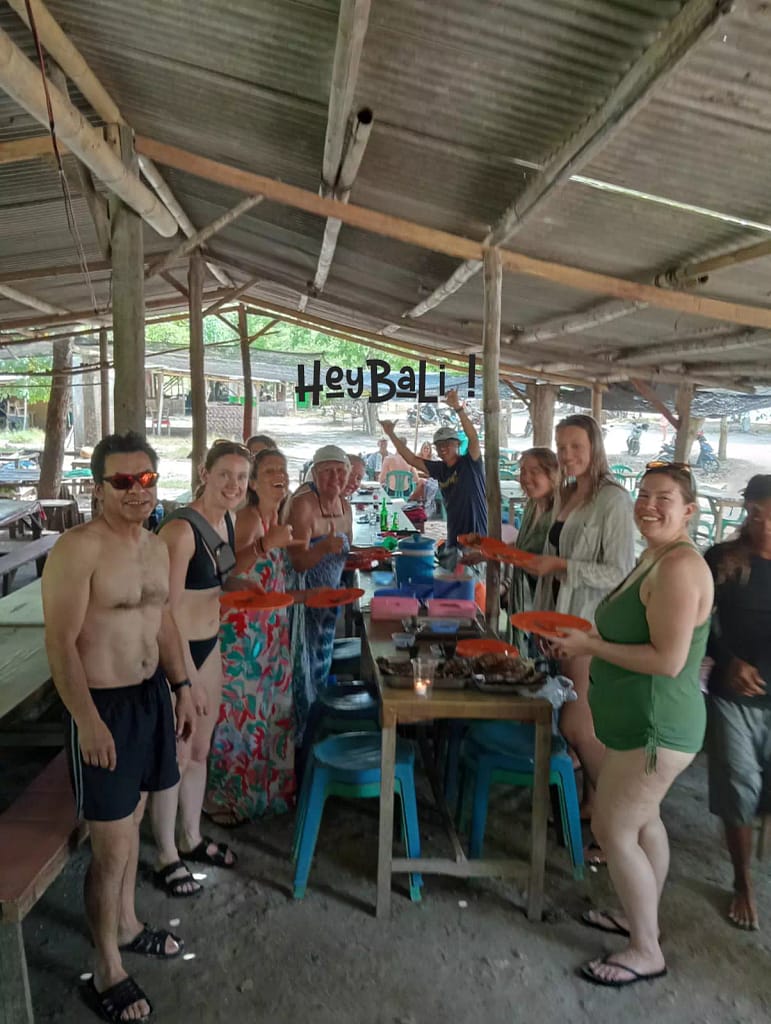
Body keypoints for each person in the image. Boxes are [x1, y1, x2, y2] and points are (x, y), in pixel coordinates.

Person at [42, 431, 196, 1023]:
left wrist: (181, 688)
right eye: (122, 481)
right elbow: (59, 644)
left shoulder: (156, 547)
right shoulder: (78, 549)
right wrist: (87, 721)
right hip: (101, 706)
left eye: (146, 479)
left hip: (149, 700)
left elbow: (162, 627)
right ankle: (107, 968)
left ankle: (129, 925)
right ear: (100, 486)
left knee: (131, 822)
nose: (135, 491)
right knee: (110, 846)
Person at [556, 463, 713, 987]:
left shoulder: (680, 568)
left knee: (612, 827)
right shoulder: (657, 556)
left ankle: (646, 949)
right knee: (644, 823)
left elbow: (669, 659)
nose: (648, 504)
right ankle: (640, 919)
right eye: (643, 495)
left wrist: (590, 646)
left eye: (663, 498)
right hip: (642, 724)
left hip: (657, 727)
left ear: (688, 510)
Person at [149, 440, 252, 895]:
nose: (234, 485)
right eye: (225, 474)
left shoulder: (224, 520)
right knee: (174, 754)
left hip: (210, 645)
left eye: (241, 478)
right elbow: (164, 612)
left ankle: (190, 837)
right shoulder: (180, 531)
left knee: (199, 749)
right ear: (204, 473)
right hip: (179, 653)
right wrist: (184, 679)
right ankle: (165, 854)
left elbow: (218, 581)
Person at [529, 414, 635, 824]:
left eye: (576, 446)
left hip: (589, 623)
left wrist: (563, 565)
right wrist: (541, 620)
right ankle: (593, 803)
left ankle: (619, 817)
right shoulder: (565, 494)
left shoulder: (614, 500)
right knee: (582, 721)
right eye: (561, 447)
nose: (567, 455)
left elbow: (619, 570)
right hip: (558, 618)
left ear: (595, 448)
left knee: (577, 726)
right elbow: (550, 565)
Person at [207, 449, 298, 823]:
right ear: (255, 483)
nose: (280, 475)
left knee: (269, 715)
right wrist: (264, 545)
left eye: (283, 469)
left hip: (270, 633)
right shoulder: (248, 519)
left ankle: (262, 793)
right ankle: (224, 800)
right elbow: (227, 572)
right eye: (270, 471)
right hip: (242, 637)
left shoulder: (275, 518)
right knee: (239, 719)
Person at [704, 474, 771, 931]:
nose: (764, 525)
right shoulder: (725, 560)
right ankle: (742, 880)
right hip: (733, 696)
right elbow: (697, 620)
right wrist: (727, 661)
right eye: (756, 514)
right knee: (737, 786)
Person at [283, 445, 350, 740]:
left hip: (330, 601)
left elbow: (345, 551)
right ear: (314, 474)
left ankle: (317, 733)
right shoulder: (304, 505)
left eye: (340, 471)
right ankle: (303, 742)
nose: (334, 477)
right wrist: (322, 547)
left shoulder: (346, 505)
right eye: (326, 472)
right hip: (302, 603)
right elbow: (297, 563)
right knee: (303, 672)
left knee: (321, 667)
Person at [380, 388, 486, 551]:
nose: (443, 448)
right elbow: (411, 459)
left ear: (457, 445)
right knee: (453, 572)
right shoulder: (440, 469)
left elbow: (473, 437)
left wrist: (458, 408)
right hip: (454, 535)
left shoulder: (470, 463)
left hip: (476, 538)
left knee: (472, 574)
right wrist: (391, 434)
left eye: (448, 443)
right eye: (439, 445)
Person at [506, 448, 559, 653]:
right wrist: (485, 552)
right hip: (525, 598)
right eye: (522, 471)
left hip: (549, 605)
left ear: (552, 475)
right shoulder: (531, 506)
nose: (525, 478)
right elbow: (522, 549)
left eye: (535, 472)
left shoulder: (560, 514)